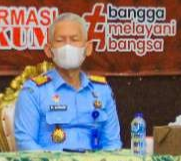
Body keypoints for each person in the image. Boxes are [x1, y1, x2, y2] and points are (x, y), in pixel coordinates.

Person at [13, 12, 121, 151]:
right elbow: (25, 143)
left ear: (88, 48)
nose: (68, 46)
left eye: (74, 39)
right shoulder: (33, 91)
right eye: (60, 40)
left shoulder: (102, 91)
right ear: (48, 50)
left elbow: (112, 143)